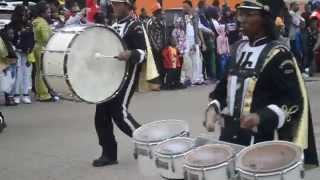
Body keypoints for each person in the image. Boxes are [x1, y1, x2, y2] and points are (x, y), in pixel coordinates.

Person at [204, 0, 319, 166]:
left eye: (249, 15)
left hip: (259, 145)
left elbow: (293, 101)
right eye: (241, 14)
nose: (241, 19)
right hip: (228, 140)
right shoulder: (237, 49)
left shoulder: (278, 55)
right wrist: (213, 108)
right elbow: (222, 89)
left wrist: (260, 116)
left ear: (265, 19)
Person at [93, 0, 146, 167]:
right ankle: (109, 154)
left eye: (117, 4)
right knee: (101, 115)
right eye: (113, 4)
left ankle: (148, 143)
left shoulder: (135, 26)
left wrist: (130, 53)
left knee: (119, 113)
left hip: (127, 75)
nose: (113, 7)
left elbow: (143, 53)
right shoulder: (114, 24)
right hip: (110, 76)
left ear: (127, 6)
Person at [7, 5, 35, 104]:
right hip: (16, 52)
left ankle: (25, 94)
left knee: (26, 73)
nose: (26, 14)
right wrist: (15, 48)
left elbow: (32, 38)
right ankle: (16, 94)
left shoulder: (29, 24)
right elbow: (9, 39)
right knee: (17, 74)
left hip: (27, 52)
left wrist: (30, 49)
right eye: (24, 12)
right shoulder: (12, 25)